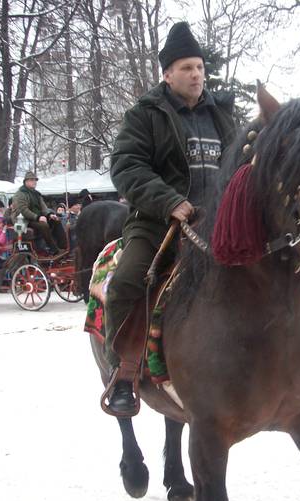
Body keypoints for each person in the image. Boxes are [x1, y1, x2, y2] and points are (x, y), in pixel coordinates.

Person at [105, 21, 237, 414]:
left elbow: (241, 170)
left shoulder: (222, 116)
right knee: (126, 283)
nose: (196, 74)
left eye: (199, 67)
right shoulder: (145, 115)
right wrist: (169, 201)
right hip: (158, 223)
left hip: (218, 226)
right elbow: (126, 166)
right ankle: (124, 374)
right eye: (186, 68)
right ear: (167, 74)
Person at [12, 171, 66, 255]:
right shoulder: (20, 194)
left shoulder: (36, 194)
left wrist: (49, 215)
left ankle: (63, 247)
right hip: (23, 219)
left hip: (36, 217)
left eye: (35, 180)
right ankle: (54, 249)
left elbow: (43, 207)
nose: (34, 182)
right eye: (32, 180)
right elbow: (23, 210)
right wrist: (38, 217)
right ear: (26, 181)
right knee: (43, 225)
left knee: (56, 220)